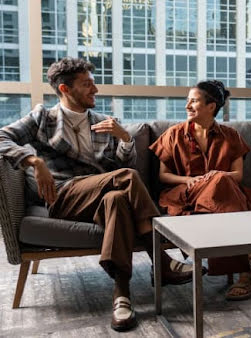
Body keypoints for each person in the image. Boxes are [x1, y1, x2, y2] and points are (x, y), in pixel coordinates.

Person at [0, 57, 194, 332]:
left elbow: (125, 170)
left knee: (117, 199)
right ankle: (161, 260)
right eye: (87, 84)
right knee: (126, 180)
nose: (95, 90)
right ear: (65, 89)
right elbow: (2, 137)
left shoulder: (104, 123)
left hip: (102, 197)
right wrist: (34, 161)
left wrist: (125, 139)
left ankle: (121, 296)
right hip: (64, 196)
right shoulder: (43, 118)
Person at [149, 80, 251, 301]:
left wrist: (214, 177)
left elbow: (237, 175)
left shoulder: (231, 136)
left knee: (221, 181)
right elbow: (163, 176)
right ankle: (250, 263)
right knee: (221, 182)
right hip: (186, 193)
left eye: (193, 101)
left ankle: (246, 265)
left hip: (222, 193)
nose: (187, 106)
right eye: (187, 101)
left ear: (211, 106)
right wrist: (191, 179)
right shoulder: (173, 134)